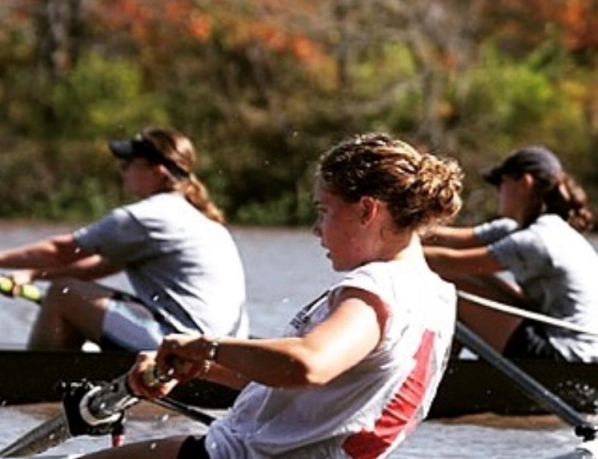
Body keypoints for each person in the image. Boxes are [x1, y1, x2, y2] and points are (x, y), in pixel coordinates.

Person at [79, 133, 463, 459]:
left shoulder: (376, 287)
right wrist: (198, 364)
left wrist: (207, 346)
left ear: (367, 210)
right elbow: (301, 383)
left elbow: (308, 365)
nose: (317, 229)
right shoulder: (434, 294)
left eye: (324, 211)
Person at [0, 127, 248, 350]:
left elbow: (61, 251)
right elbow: (98, 266)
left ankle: (32, 380)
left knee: (62, 293)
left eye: (128, 163)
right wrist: (31, 274)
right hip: (223, 349)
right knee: (72, 292)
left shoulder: (145, 217)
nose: (123, 171)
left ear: (157, 171)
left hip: (184, 344)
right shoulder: (201, 221)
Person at [424, 145, 598, 362]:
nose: (498, 191)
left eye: (501, 183)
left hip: (567, 356)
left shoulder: (538, 239)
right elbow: (446, 238)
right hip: (557, 338)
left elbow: (449, 263)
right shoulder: (520, 228)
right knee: (476, 276)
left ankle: (442, 373)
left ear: (524, 183)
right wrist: (400, 228)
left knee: (448, 285)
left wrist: (392, 250)